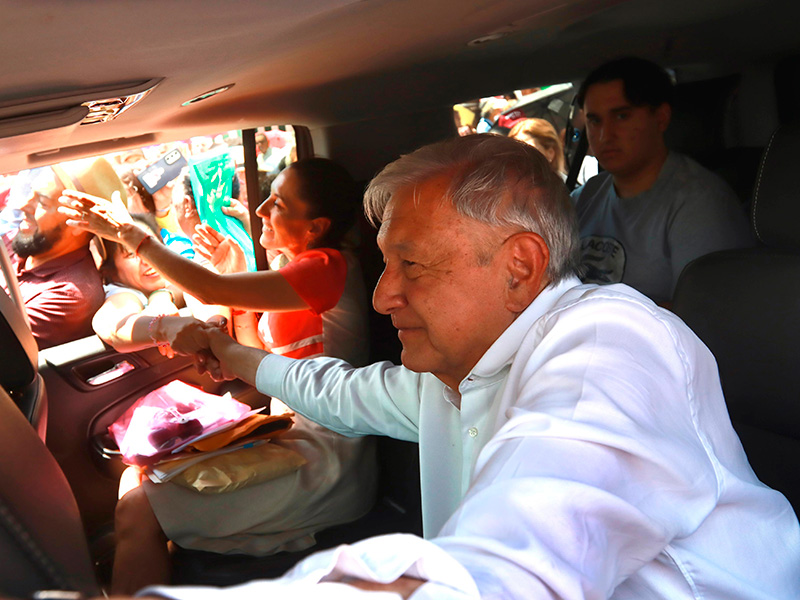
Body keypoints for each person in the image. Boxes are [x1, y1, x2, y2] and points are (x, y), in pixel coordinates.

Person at [91, 134, 798, 599]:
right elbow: (340, 390)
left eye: (412, 265)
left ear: (520, 267)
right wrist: (231, 353)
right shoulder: (454, 374)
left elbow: (516, 560)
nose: (380, 293)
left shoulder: (606, 341)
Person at [59, 158, 375, 595]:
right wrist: (232, 285)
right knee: (136, 477)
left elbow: (210, 291)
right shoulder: (301, 272)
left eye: (277, 203)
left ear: (315, 227)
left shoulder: (328, 266)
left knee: (137, 509)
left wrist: (132, 235)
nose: (260, 209)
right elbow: (259, 357)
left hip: (326, 459)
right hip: (289, 435)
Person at [571, 57, 753, 305]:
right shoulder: (587, 195)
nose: (605, 135)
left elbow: (705, 315)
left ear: (661, 118)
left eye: (622, 116)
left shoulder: (699, 202)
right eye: (595, 120)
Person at [10, 158, 125, 349]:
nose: (23, 206)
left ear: (79, 224)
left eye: (42, 203)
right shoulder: (29, 245)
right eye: (31, 194)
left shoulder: (69, 296)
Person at [91, 213, 229, 352]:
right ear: (110, 270)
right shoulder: (123, 293)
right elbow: (114, 328)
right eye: (132, 254)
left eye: (150, 246)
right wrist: (162, 328)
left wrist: (161, 296)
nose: (146, 260)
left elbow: (199, 280)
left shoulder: (176, 269)